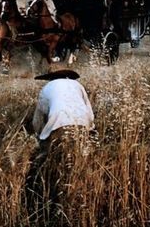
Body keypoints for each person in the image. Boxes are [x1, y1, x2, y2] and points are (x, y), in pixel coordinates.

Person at [27, 69, 95, 221]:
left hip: (59, 124)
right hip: (81, 123)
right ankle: (83, 187)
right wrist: (89, 128)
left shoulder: (47, 88)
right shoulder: (78, 86)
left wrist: (40, 136)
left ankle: (46, 191)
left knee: (50, 160)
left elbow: (38, 118)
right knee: (79, 158)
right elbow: (89, 113)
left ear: (50, 78)